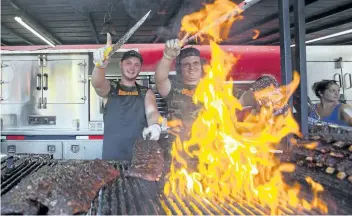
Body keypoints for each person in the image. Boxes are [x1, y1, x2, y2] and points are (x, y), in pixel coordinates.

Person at [91, 33, 162, 160]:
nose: (132, 67)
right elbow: (98, 84)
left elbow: (152, 112)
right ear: (120, 64)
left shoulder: (146, 92)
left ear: (140, 68)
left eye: (136, 64)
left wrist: (155, 125)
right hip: (110, 160)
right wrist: (99, 67)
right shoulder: (110, 88)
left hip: (139, 161)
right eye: (128, 63)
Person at [155, 39, 203, 139]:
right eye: (186, 64)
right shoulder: (174, 88)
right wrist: (167, 57)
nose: (191, 67)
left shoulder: (214, 88)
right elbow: (160, 80)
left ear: (201, 66)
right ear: (180, 68)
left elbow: (243, 98)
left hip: (208, 150)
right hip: (176, 150)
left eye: (195, 63)